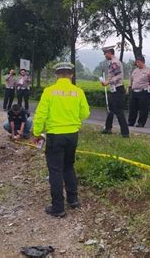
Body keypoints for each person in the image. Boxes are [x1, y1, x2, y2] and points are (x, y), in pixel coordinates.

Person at [33, 62, 90, 218]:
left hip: (55, 135)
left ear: (56, 75)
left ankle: (58, 207)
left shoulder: (49, 92)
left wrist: (37, 132)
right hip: (72, 135)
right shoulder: (78, 92)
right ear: (71, 74)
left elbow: (40, 114)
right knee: (68, 166)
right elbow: (85, 114)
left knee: (55, 170)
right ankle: (73, 200)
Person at [100, 45, 130, 138]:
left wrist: (108, 82)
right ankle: (108, 128)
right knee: (111, 109)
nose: (105, 55)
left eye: (105, 53)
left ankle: (125, 133)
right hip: (114, 89)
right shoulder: (112, 62)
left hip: (118, 89)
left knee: (119, 111)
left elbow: (118, 76)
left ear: (109, 53)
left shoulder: (114, 62)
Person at [128, 55, 150, 127]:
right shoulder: (135, 71)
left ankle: (141, 122)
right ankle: (131, 122)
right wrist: (128, 88)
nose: (137, 64)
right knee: (132, 108)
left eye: (138, 62)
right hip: (134, 91)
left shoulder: (149, 71)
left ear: (143, 62)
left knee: (143, 108)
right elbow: (131, 80)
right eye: (136, 62)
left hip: (144, 92)